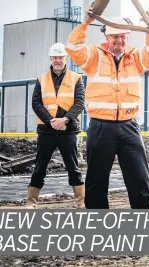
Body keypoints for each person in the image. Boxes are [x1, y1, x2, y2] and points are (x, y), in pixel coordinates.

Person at [65, 7, 149, 209]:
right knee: (96, 181)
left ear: (128, 37)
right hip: (101, 127)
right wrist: (85, 23)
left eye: (123, 37)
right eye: (114, 37)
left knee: (139, 178)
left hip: (129, 127)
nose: (119, 41)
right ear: (107, 38)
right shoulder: (94, 56)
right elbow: (73, 47)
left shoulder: (136, 58)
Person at [27, 43, 86, 209]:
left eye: (60, 57)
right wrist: (50, 121)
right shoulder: (41, 79)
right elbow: (36, 103)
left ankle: (79, 202)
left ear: (65, 58)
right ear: (50, 58)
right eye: (55, 57)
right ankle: (31, 202)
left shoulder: (76, 78)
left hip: (68, 130)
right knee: (40, 167)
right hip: (47, 130)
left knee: (73, 167)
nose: (58, 60)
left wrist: (65, 120)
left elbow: (80, 102)